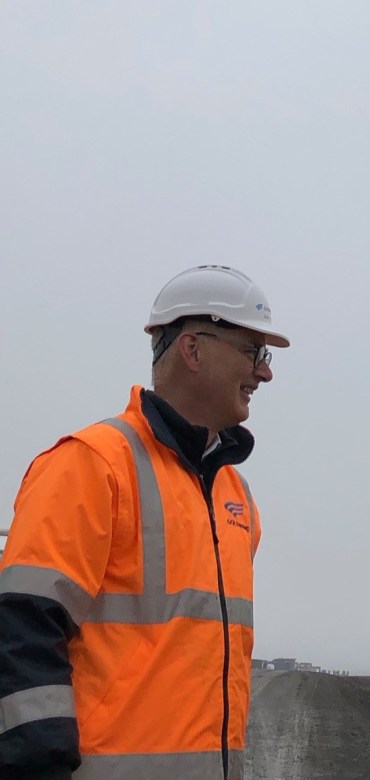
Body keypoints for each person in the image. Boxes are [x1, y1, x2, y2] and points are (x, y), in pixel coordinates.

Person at [0, 265, 289, 780]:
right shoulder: (91, 464)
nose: (264, 373)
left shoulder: (235, 496)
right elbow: (22, 628)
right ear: (192, 350)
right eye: (253, 352)